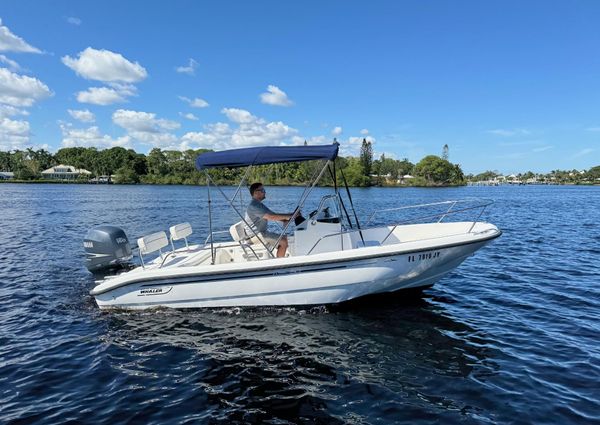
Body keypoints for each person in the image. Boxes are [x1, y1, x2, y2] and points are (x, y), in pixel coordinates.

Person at [245, 182, 298, 257]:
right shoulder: (254, 206)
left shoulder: (259, 205)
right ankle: (280, 264)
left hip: (260, 233)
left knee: (285, 238)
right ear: (256, 192)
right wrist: (292, 215)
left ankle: (280, 259)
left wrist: (284, 219)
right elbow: (271, 217)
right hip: (255, 235)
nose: (265, 192)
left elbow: (273, 214)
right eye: (262, 190)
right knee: (283, 242)